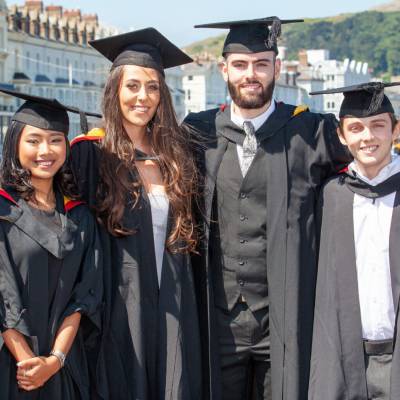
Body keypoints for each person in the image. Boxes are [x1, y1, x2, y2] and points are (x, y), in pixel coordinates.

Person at [184, 16, 351, 400]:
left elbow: (366, 165)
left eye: (261, 64)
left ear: (276, 67)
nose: (251, 75)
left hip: (286, 319)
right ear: (224, 69)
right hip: (219, 321)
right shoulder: (197, 132)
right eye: (240, 65)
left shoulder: (310, 131)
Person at [70, 28, 202, 400]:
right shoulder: (91, 154)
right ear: (115, 91)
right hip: (117, 307)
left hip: (173, 302)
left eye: (153, 87)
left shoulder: (178, 155)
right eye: (133, 86)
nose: (143, 97)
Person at [0, 89, 103, 399]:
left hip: (65, 366)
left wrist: (55, 360)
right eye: (33, 140)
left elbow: (84, 297)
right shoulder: (3, 210)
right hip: (12, 366)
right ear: (15, 143)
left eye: (56, 139)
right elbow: (3, 296)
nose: (45, 150)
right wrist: (30, 362)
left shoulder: (79, 215)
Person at [308, 82, 400, 400]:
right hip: (346, 356)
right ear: (342, 136)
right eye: (356, 128)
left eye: (378, 126)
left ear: (395, 130)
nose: (368, 137)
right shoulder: (332, 195)